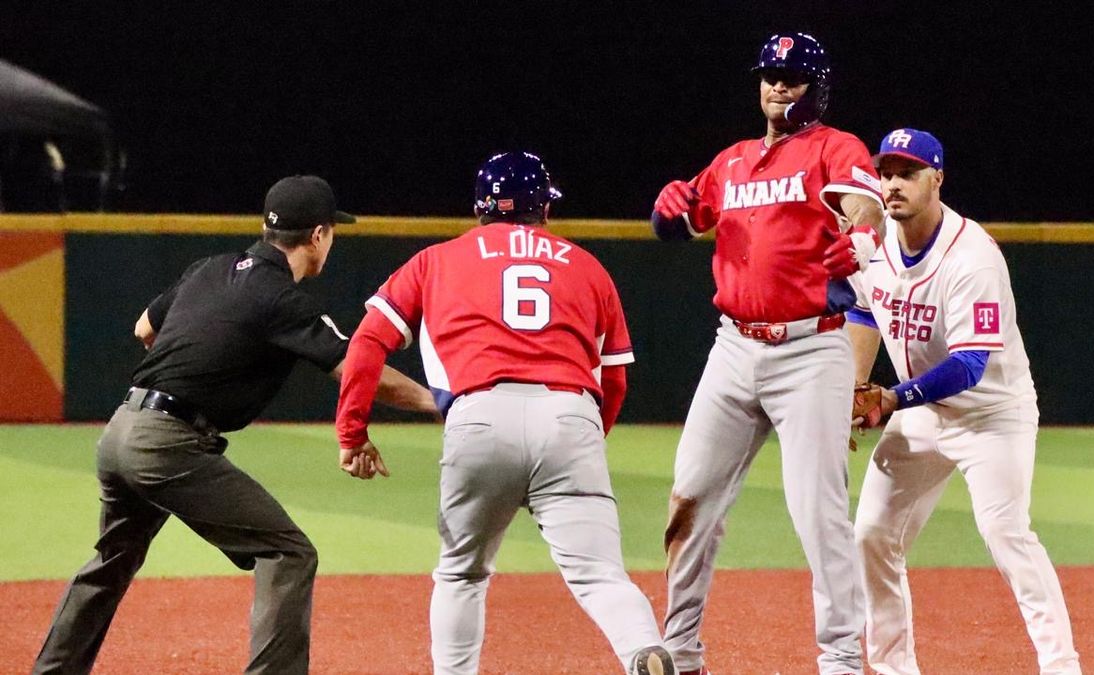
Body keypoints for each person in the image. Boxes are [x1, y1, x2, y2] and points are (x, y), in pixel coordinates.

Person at [33, 175, 436, 675]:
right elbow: (359, 369)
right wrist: (439, 401)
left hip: (121, 429)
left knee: (113, 560)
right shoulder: (282, 299)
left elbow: (144, 328)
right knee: (288, 553)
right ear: (318, 235)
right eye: (332, 230)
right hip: (167, 444)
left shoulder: (210, 268)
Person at [334, 152, 675, 675]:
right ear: (545, 208)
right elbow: (615, 381)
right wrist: (584, 440)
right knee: (602, 576)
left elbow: (367, 343)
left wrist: (352, 431)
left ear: (480, 208)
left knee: (461, 575)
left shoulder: (435, 260)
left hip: (480, 416)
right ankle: (643, 649)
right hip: (569, 415)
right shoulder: (587, 266)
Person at [649, 32, 885, 675]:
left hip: (811, 350)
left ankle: (841, 659)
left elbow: (864, 206)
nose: (778, 85)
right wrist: (667, 211)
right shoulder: (731, 161)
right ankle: (682, 651)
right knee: (690, 499)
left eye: (793, 76)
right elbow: (681, 221)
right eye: (770, 75)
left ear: (817, 88)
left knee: (818, 512)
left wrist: (863, 236)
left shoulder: (834, 147)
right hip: (733, 348)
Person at [847, 129, 1081, 674]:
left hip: (992, 416)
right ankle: (892, 668)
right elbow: (862, 311)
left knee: (1005, 532)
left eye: (908, 173)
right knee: (873, 534)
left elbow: (970, 364)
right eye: (886, 173)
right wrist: (856, 390)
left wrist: (891, 397)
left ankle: (1061, 665)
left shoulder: (971, 255)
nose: (893, 184)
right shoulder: (875, 246)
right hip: (921, 413)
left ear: (937, 179)